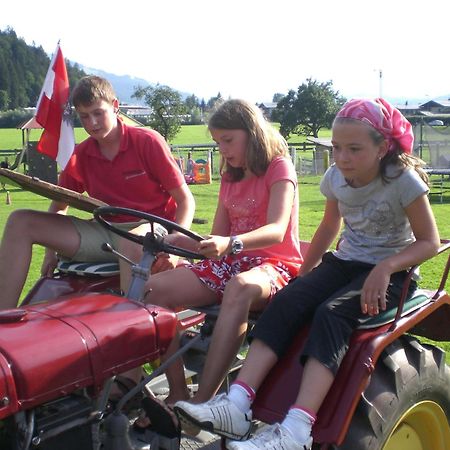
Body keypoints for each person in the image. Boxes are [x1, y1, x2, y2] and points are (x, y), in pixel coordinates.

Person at [174, 98, 441, 449]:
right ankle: (237, 404)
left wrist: (386, 267)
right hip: (346, 262)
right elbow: (330, 226)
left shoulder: (402, 181)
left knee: (331, 314)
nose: (342, 158)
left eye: (354, 149)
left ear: (383, 148)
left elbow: (429, 242)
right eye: (337, 148)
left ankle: (297, 428)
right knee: (288, 301)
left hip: (392, 272)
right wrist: (303, 273)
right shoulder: (336, 177)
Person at [139, 99, 302, 416]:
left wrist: (231, 243)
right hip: (230, 262)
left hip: (273, 266)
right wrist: (175, 240)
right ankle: (177, 392)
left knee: (238, 287)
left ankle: (204, 402)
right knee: (150, 290)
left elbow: (277, 230)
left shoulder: (279, 167)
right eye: (218, 142)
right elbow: (214, 235)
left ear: (251, 133)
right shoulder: (231, 175)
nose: (223, 149)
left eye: (228, 140)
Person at [0, 75, 195, 310]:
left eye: (98, 113)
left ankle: (129, 326)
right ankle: (5, 318)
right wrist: (50, 252)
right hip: (105, 230)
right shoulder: (81, 155)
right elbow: (60, 206)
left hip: (150, 230)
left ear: (115, 106)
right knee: (20, 220)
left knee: (132, 242)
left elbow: (185, 201)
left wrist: (172, 248)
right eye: (84, 116)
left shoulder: (147, 142)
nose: (92, 123)